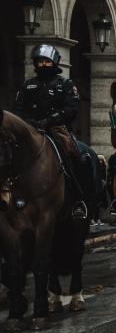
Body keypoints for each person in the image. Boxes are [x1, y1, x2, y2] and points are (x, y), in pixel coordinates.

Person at [14, 44, 97, 219]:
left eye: (47, 61)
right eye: (40, 62)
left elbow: (71, 109)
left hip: (57, 129)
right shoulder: (28, 85)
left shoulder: (65, 84)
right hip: (30, 129)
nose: (43, 65)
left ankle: (80, 201)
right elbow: (19, 109)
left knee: (80, 158)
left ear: (54, 63)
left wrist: (49, 121)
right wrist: (30, 122)